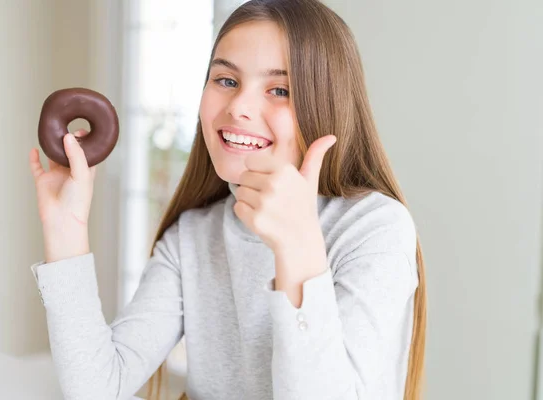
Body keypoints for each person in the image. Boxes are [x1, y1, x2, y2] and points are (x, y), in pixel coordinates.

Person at [28, 0, 426, 399]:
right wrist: (67, 233)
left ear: (326, 106)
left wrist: (299, 251)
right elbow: (97, 389)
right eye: (226, 81)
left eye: (280, 89)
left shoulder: (374, 229)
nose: (239, 108)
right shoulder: (193, 238)